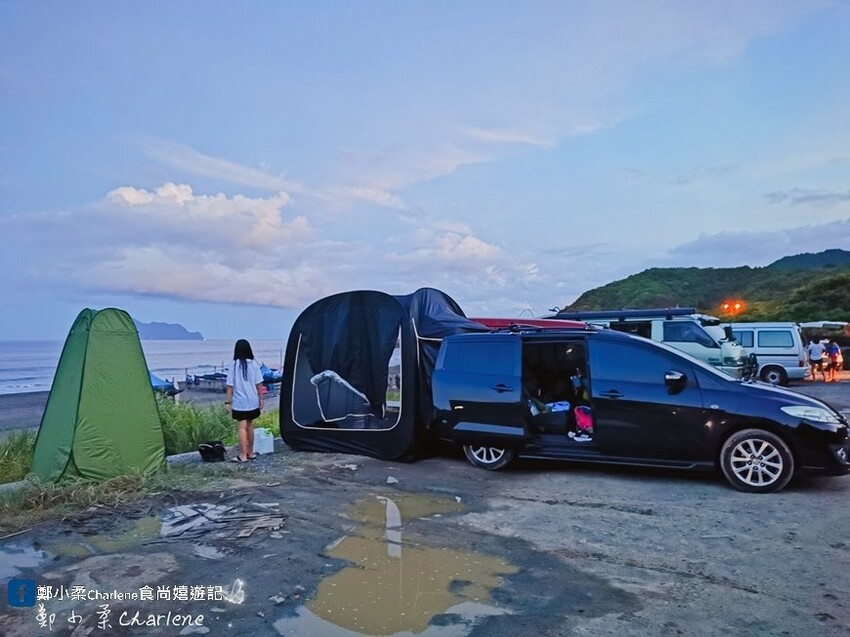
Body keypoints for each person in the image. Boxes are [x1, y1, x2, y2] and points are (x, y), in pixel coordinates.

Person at [225, 339, 265, 462]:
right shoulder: (254, 364)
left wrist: (227, 402)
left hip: (240, 402)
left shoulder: (234, 365)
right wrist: (261, 398)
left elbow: (230, 386)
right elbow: (259, 384)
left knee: (242, 427)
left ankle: (242, 455)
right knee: (250, 425)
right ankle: (250, 452)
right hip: (252, 400)